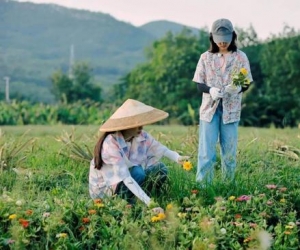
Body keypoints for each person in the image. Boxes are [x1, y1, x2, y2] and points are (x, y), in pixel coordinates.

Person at [89, 99, 189, 213]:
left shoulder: (141, 136)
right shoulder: (110, 143)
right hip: (106, 192)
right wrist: (149, 203)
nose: (141, 127)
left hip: (129, 180)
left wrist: (178, 158)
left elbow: (160, 148)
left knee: (160, 169)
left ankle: (142, 199)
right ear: (126, 125)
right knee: (138, 172)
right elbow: (126, 177)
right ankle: (128, 204)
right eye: (136, 124)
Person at [192, 18, 253, 185]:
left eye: (226, 39)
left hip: (231, 109)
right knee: (206, 152)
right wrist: (210, 90)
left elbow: (247, 81)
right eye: (219, 39)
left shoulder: (240, 57)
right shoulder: (205, 57)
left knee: (229, 153)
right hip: (209, 110)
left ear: (233, 36)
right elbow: (199, 83)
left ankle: (228, 186)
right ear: (212, 37)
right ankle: (204, 187)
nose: (223, 43)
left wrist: (238, 89)